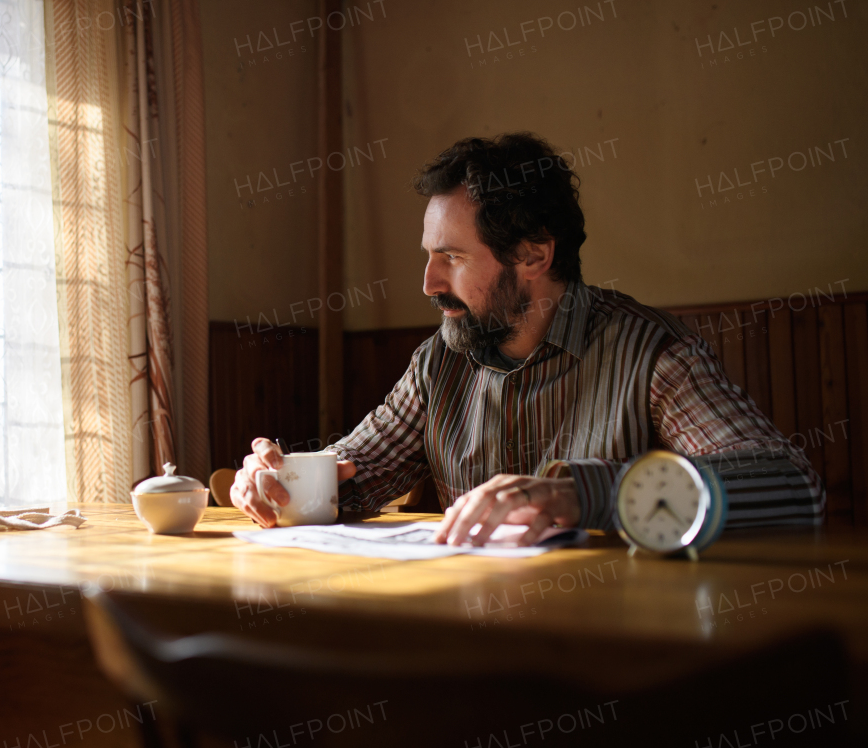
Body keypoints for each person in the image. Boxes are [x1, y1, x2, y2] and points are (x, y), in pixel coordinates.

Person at [230, 132, 824, 545]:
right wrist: (281, 481)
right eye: (429, 256)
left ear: (535, 254)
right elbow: (356, 472)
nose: (428, 282)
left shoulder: (651, 353)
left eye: (452, 257)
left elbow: (791, 490)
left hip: (622, 664)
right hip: (469, 649)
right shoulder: (442, 358)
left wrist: (581, 495)